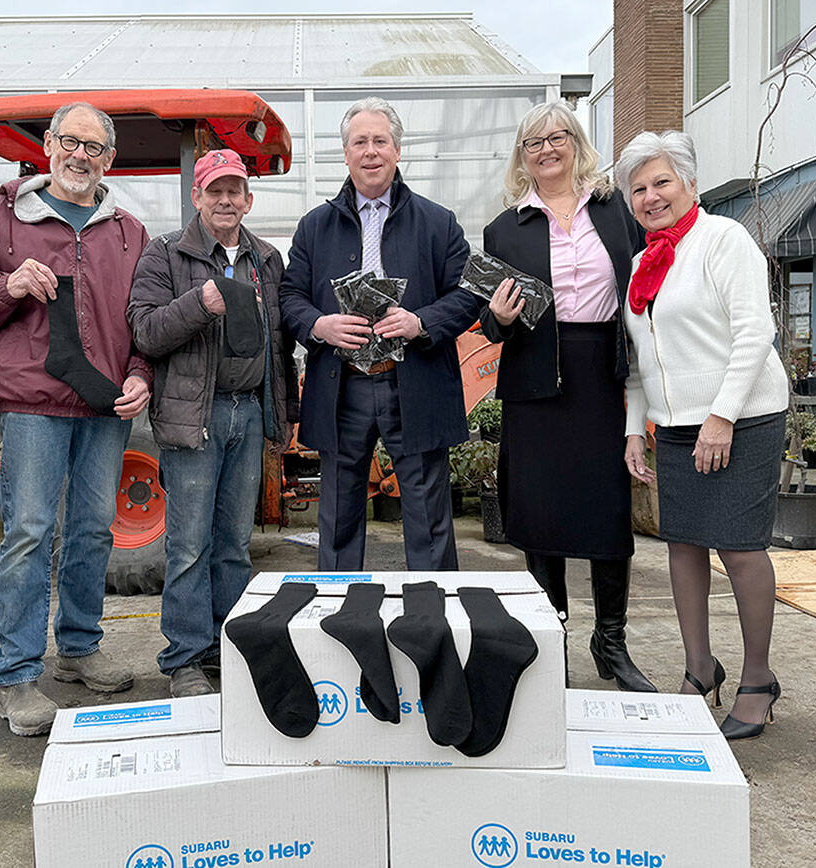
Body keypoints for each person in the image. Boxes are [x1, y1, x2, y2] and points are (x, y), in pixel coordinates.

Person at [0, 101, 152, 737]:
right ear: (48, 145)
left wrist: (141, 372)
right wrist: (7, 286)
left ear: (108, 159)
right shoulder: (3, 216)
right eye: (70, 141)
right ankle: (15, 674)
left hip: (104, 403)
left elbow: (144, 316)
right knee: (30, 532)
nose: (80, 156)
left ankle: (79, 648)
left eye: (94, 147)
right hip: (34, 400)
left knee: (93, 529)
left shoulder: (128, 231)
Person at [615, 130, 790, 739]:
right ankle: (699, 669)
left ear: (689, 183)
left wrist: (722, 415)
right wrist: (636, 431)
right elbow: (639, 361)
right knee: (682, 545)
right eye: (638, 188)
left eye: (662, 182)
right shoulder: (642, 264)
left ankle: (758, 679)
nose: (650, 196)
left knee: (740, 549)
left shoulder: (723, 239)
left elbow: (754, 332)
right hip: (677, 426)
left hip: (742, 418)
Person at [480, 102, 655, 693]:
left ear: (576, 144)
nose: (547, 150)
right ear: (522, 156)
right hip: (534, 380)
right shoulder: (505, 229)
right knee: (541, 513)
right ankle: (551, 639)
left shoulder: (615, 211)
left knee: (608, 513)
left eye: (558, 138)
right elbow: (491, 323)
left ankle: (611, 643)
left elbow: (643, 289)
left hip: (601, 375)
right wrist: (496, 319)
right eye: (534, 143)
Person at [280, 96, 479, 570]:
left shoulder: (438, 222)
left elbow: (470, 293)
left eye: (380, 141)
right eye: (359, 142)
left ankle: (432, 620)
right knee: (338, 513)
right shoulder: (314, 226)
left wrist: (421, 321)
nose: (370, 151)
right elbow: (289, 296)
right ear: (345, 154)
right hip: (342, 385)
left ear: (397, 150)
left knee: (428, 512)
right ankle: (340, 615)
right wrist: (319, 325)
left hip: (415, 380)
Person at [127, 149, 299, 698]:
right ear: (196, 197)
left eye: (235, 191)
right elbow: (146, 333)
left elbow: (280, 343)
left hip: (248, 413)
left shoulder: (266, 259)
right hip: (193, 418)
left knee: (234, 544)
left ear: (248, 200)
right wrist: (198, 304)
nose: (226, 200)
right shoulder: (165, 256)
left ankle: (227, 649)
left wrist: (283, 415)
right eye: (214, 190)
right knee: (188, 545)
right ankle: (184, 657)